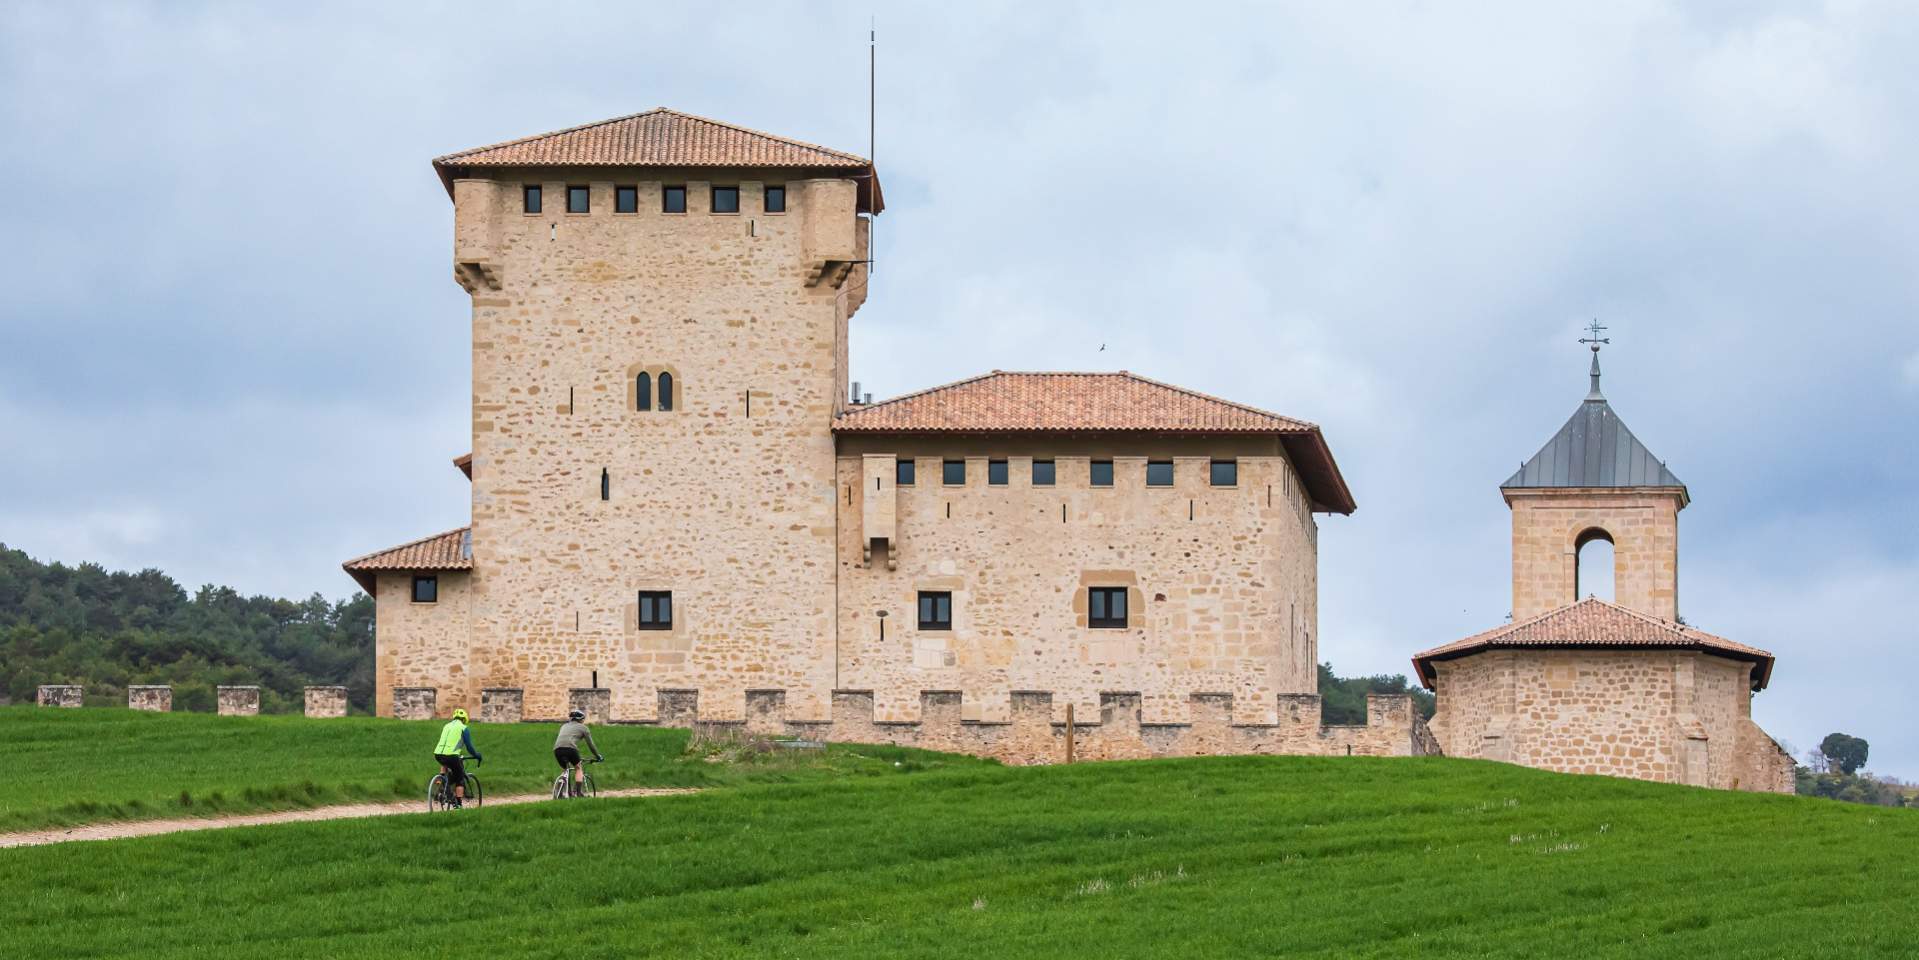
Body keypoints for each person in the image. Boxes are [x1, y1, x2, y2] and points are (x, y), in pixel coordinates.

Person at [433, 708, 482, 808]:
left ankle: (442, 782)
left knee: (446, 764)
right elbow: (469, 746)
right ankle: (458, 804)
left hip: (438, 754)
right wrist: (476, 755)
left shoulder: (446, 726)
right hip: (452, 755)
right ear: (464, 719)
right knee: (459, 778)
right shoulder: (464, 728)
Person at [553, 709, 604, 797]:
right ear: (581, 719)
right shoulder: (584, 728)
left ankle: (562, 792)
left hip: (557, 749)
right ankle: (579, 792)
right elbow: (591, 745)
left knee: (565, 770)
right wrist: (598, 756)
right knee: (578, 768)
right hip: (570, 749)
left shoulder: (564, 726)